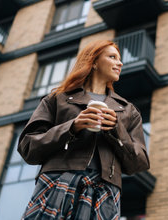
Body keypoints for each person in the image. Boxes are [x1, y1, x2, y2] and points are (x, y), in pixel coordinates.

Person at [18, 40, 150, 220]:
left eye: (120, 59)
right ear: (94, 62)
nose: (120, 63)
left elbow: (139, 163)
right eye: (112, 57)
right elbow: (28, 146)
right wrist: (72, 127)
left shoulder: (128, 110)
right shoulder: (58, 99)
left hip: (104, 191)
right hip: (57, 183)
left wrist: (116, 130)